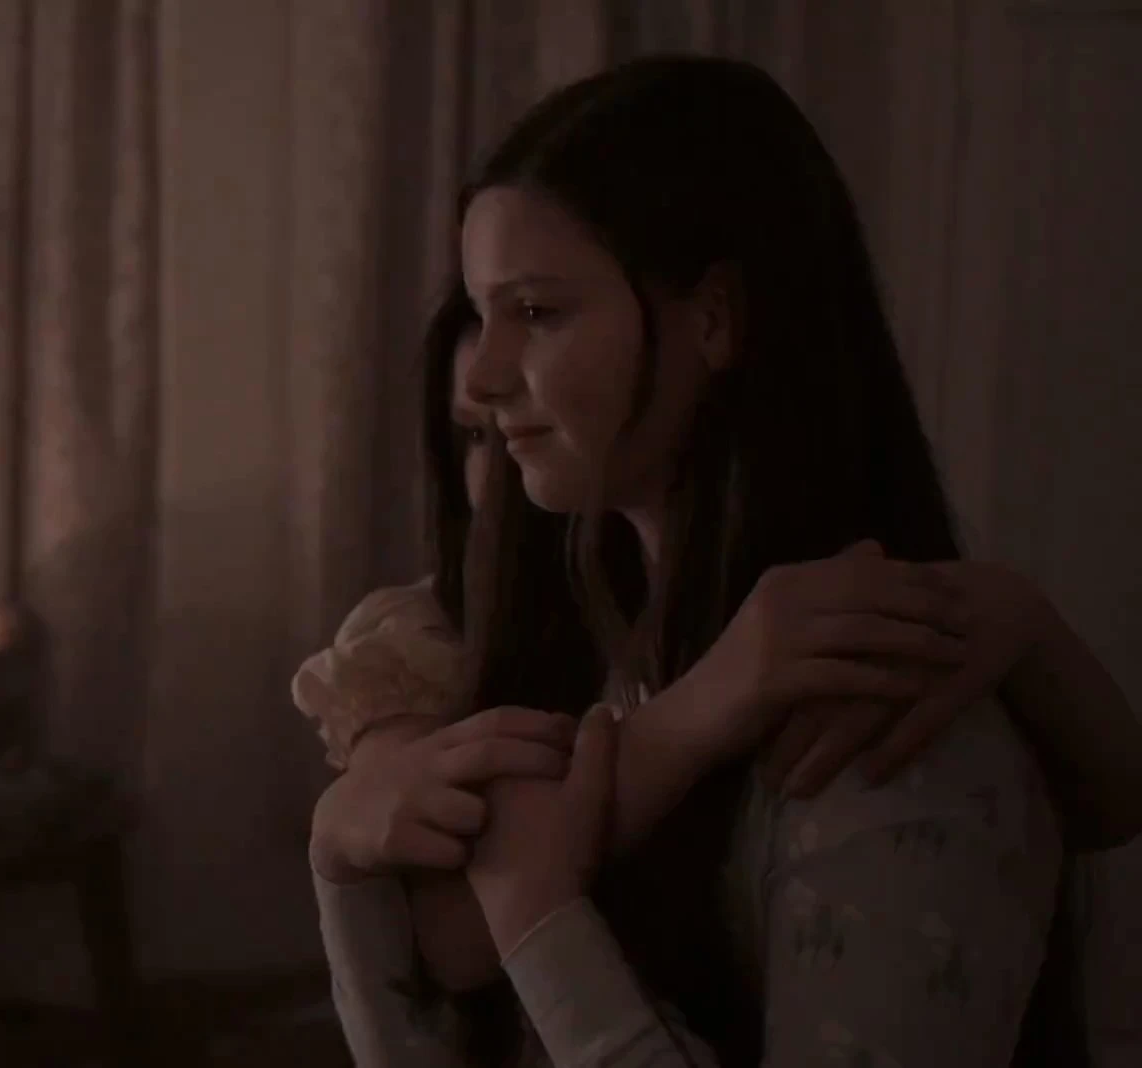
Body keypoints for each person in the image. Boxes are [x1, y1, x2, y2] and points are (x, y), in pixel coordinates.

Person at [306, 56, 1135, 1066]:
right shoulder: (562, 633)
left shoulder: (878, 738)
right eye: (484, 314)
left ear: (713, 318)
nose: (480, 377)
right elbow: (446, 973)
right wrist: (342, 850)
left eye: (536, 312)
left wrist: (537, 911)